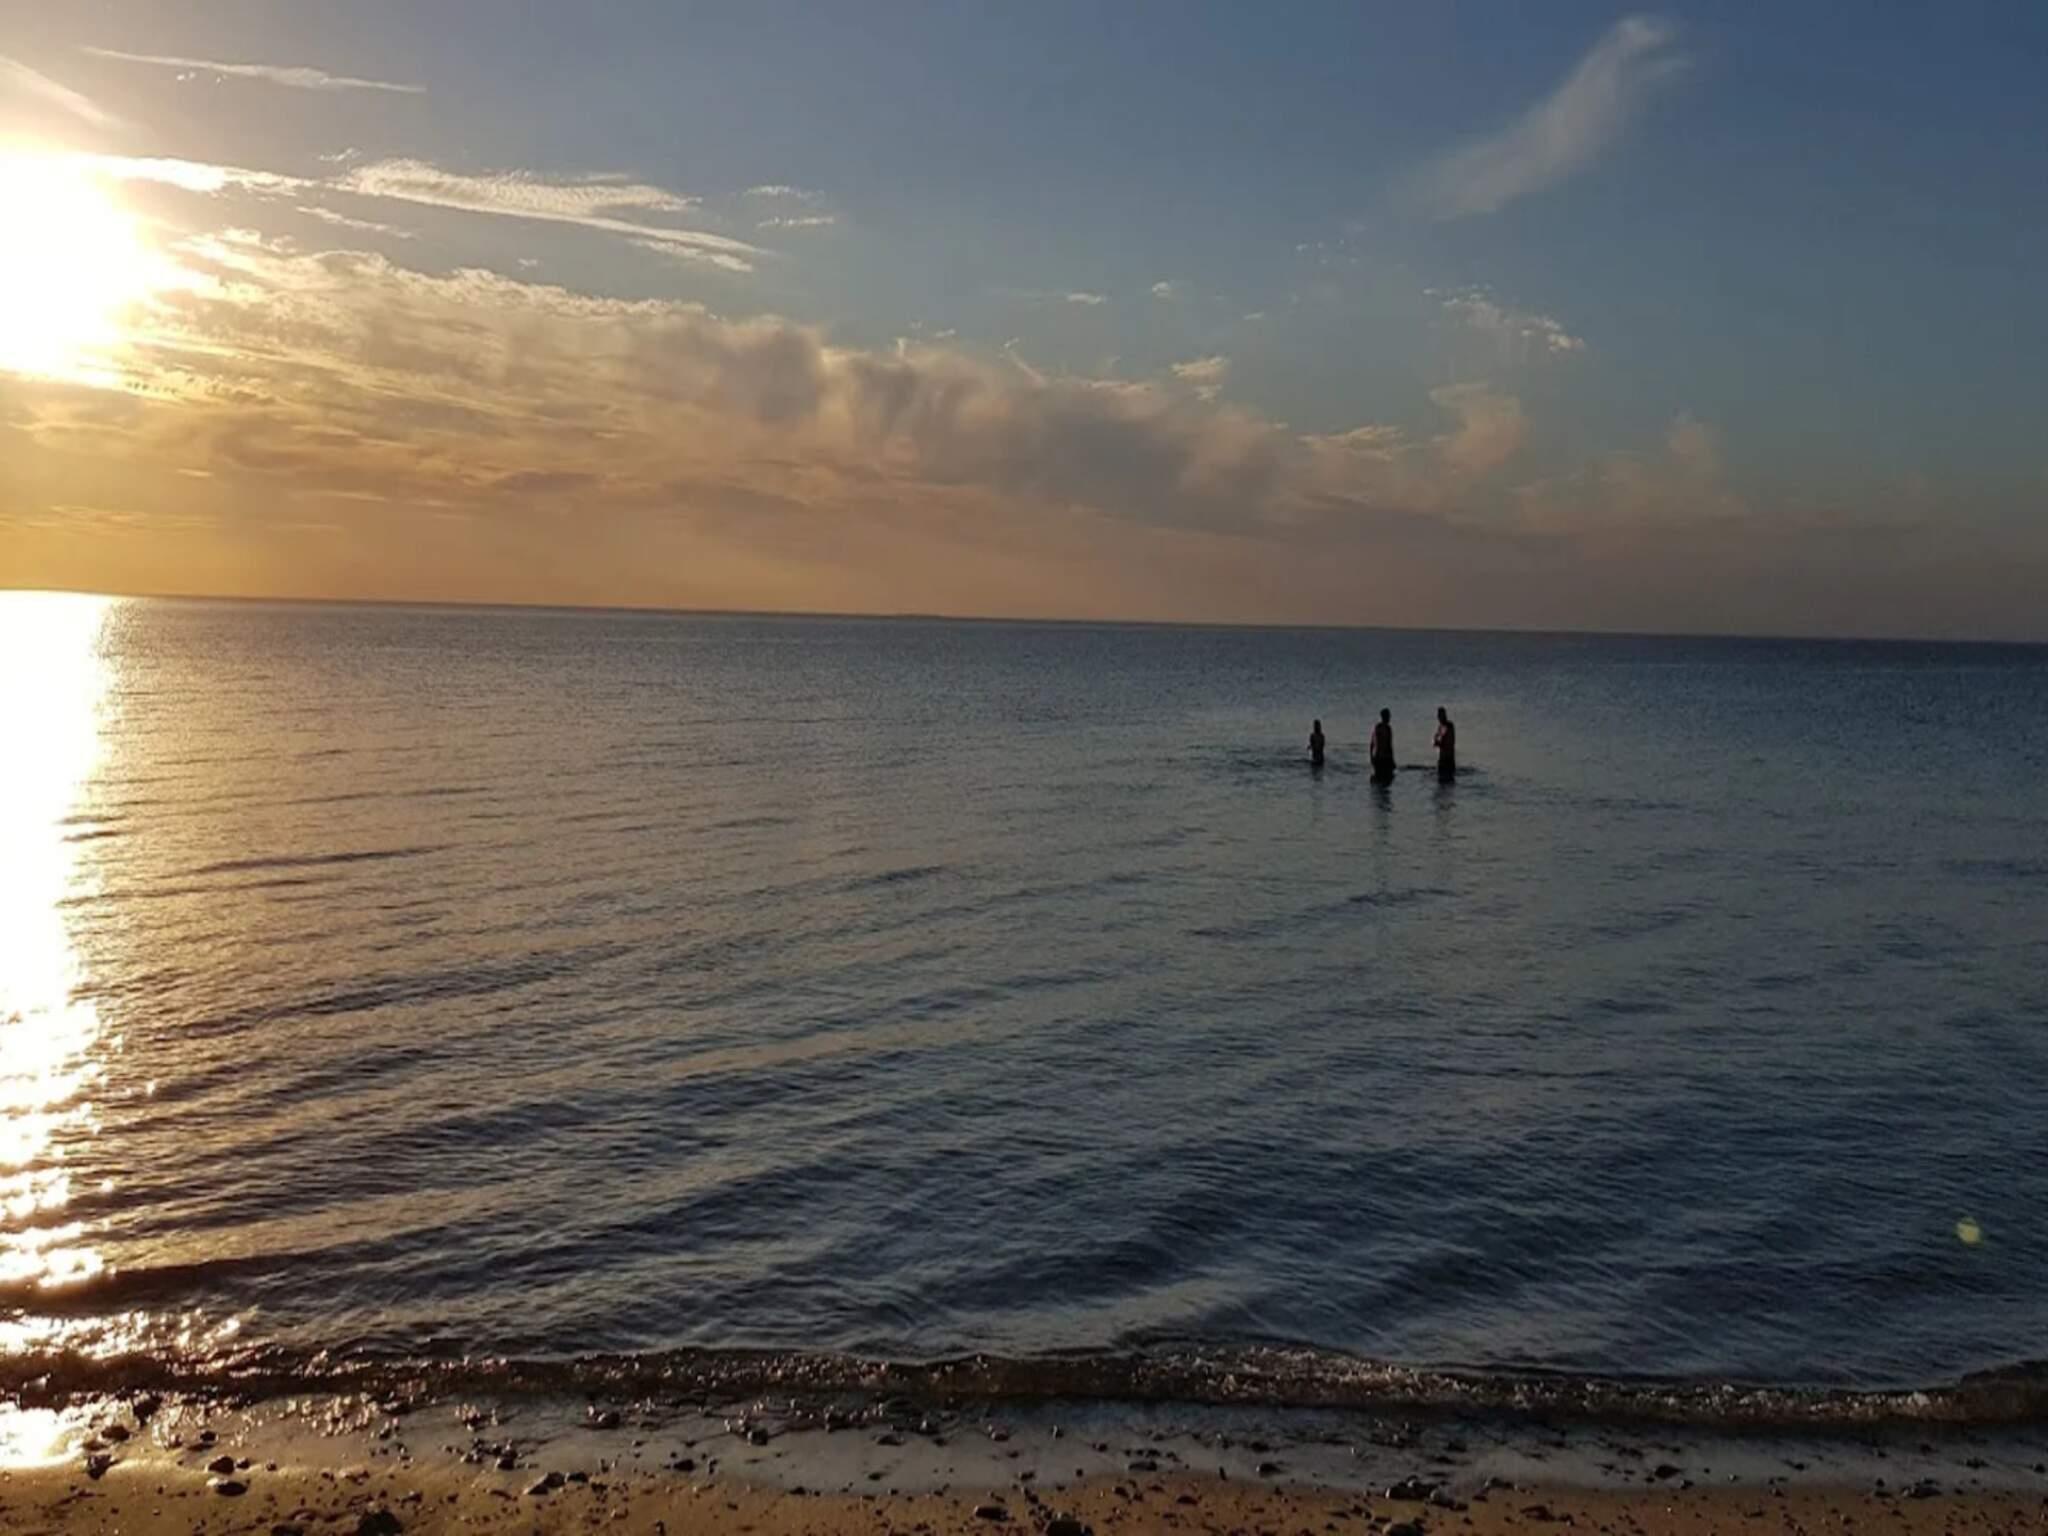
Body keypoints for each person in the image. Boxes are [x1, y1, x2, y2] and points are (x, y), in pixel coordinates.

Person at [1369, 708, 1395, 784]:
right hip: (1382, 758)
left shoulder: (1381, 728)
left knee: (1382, 779)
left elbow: (1372, 744)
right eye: (1388, 716)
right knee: (1385, 779)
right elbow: (1388, 745)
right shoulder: (1384, 728)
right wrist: (1392, 760)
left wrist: (1371, 757)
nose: (1389, 718)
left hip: (1380, 757)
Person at [1434, 707, 1456, 781]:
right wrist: (1436, 741)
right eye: (1438, 715)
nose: (1438, 717)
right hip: (1442, 760)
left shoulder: (1449, 726)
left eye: (1439, 715)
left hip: (1448, 760)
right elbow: (1436, 740)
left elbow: (1447, 742)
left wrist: (1437, 742)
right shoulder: (1441, 727)